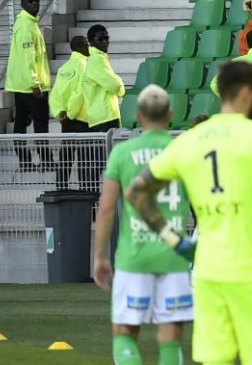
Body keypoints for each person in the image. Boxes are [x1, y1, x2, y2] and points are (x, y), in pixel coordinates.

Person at [123, 60, 252, 365]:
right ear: (248, 93)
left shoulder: (190, 139)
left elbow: (136, 192)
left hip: (208, 274)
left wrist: (174, 240)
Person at [95, 84, 192, 365]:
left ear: (138, 115)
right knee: (170, 336)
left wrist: (100, 257)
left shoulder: (123, 153)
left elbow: (106, 209)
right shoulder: (181, 151)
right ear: (170, 115)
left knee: (125, 332)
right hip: (173, 256)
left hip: (133, 257)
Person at [3, 0, 51, 170]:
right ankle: (44, 161)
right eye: (31, 1)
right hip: (30, 87)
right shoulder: (26, 26)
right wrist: (35, 83)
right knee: (40, 124)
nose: (35, 4)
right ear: (23, 5)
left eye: (37, 0)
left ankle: (25, 161)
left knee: (21, 124)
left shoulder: (28, 23)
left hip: (21, 86)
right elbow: (27, 57)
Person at [50, 35, 88, 189]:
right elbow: (81, 92)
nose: (89, 47)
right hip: (81, 118)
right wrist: (71, 113)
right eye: (87, 44)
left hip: (65, 120)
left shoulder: (63, 68)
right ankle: (86, 190)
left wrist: (60, 113)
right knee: (85, 159)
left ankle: (60, 188)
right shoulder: (85, 66)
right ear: (80, 47)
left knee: (66, 156)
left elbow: (56, 94)